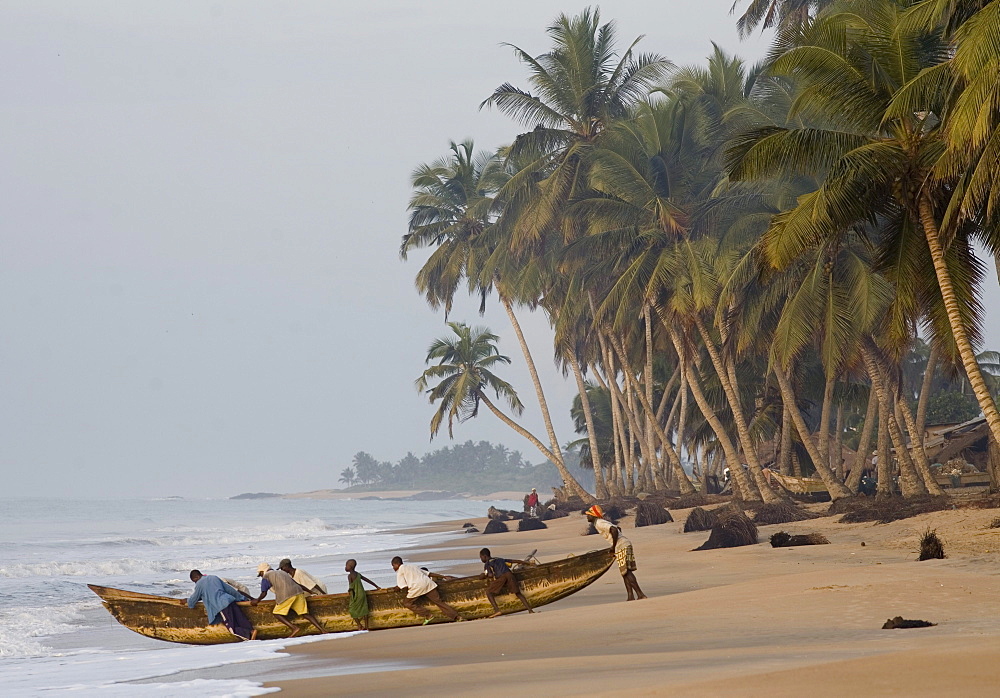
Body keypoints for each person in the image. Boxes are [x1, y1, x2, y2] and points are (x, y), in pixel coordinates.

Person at [584, 505, 647, 601]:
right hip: (623, 544)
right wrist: (615, 544)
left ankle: (640, 594)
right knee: (624, 572)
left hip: (622, 545)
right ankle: (630, 596)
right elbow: (618, 528)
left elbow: (614, 530)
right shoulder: (599, 522)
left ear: (594, 515)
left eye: (589, 514)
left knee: (627, 571)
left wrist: (613, 547)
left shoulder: (599, 523)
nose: (587, 516)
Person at [251, 563, 327, 637]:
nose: (261, 576)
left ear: (262, 571)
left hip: (286, 595)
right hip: (299, 593)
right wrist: (310, 591)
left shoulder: (266, 576)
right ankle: (322, 630)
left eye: (260, 574)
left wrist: (257, 600)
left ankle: (294, 628)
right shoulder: (282, 573)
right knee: (305, 614)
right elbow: (297, 584)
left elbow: (264, 593)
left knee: (277, 614)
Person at [390, 556, 464, 624]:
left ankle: (428, 615)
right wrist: (443, 576)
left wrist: (398, 588)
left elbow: (404, 586)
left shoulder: (400, 571)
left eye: (393, 566)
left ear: (396, 564)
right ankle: (457, 617)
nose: (393, 568)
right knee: (439, 602)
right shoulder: (412, 566)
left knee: (407, 603)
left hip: (417, 587)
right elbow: (429, 574)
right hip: (428, 584)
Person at [186, 569, 256, 641]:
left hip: (222, 606)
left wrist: (187, 601)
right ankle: (251, 630)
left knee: (231, 628)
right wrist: (243, 598)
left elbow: (193, 599)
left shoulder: (199, 584)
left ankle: (249, 635)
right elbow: (230, 590)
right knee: (240, 619)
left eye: (194, 581)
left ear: (196, 578)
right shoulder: (214, 577)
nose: (195, 583)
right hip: (230, 600)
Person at [479, 548, 535, 618]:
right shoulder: (499, 559)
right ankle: (530, 610)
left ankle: (497, 610)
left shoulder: (487, 563)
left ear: (485, 556)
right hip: (510, 575)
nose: (481, 559)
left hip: (501, 577)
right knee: (518, 593)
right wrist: (528, 563)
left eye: (481, 557)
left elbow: (490, 575)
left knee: (488, 592)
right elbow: (515, 561)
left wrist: (483, 575)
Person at [345, 558, 380, 631]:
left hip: (356, 594)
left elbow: (351, 586)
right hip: (362, 593)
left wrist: (351, 595)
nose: (345, 567)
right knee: (364, 610)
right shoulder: (358, 574)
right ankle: (367, 627)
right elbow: (367, 580)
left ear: (350, 567)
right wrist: (376, 586)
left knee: (352, 610)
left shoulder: (350, 576)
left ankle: (359, 625)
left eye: (346, 565)